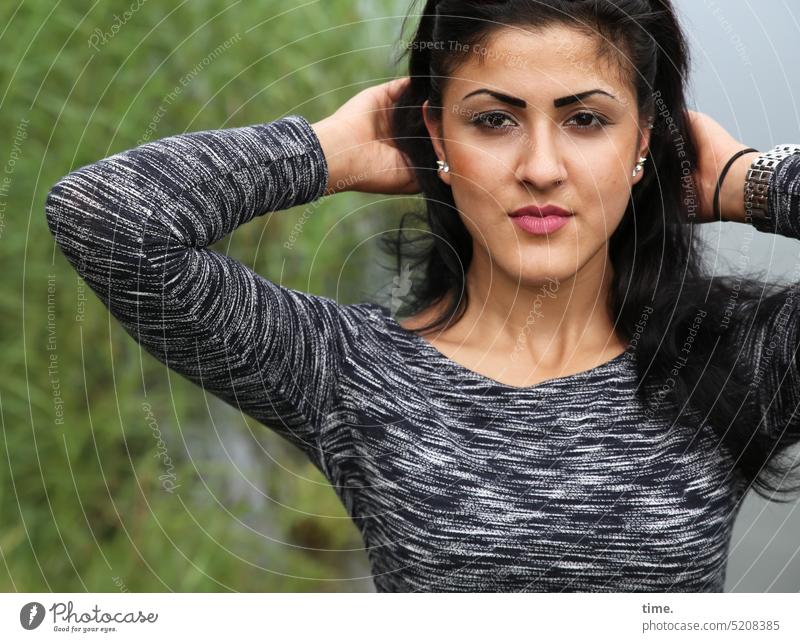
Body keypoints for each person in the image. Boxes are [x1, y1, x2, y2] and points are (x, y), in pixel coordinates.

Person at [45, 0, 800, 592]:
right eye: (493, 120)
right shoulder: (348, 371)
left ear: (644, 141)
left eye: (586, 119)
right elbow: (107, 217)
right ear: (437, 138)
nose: (540, 167)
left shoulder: (740, 353)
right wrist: (326, 152)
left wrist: (748, 178)